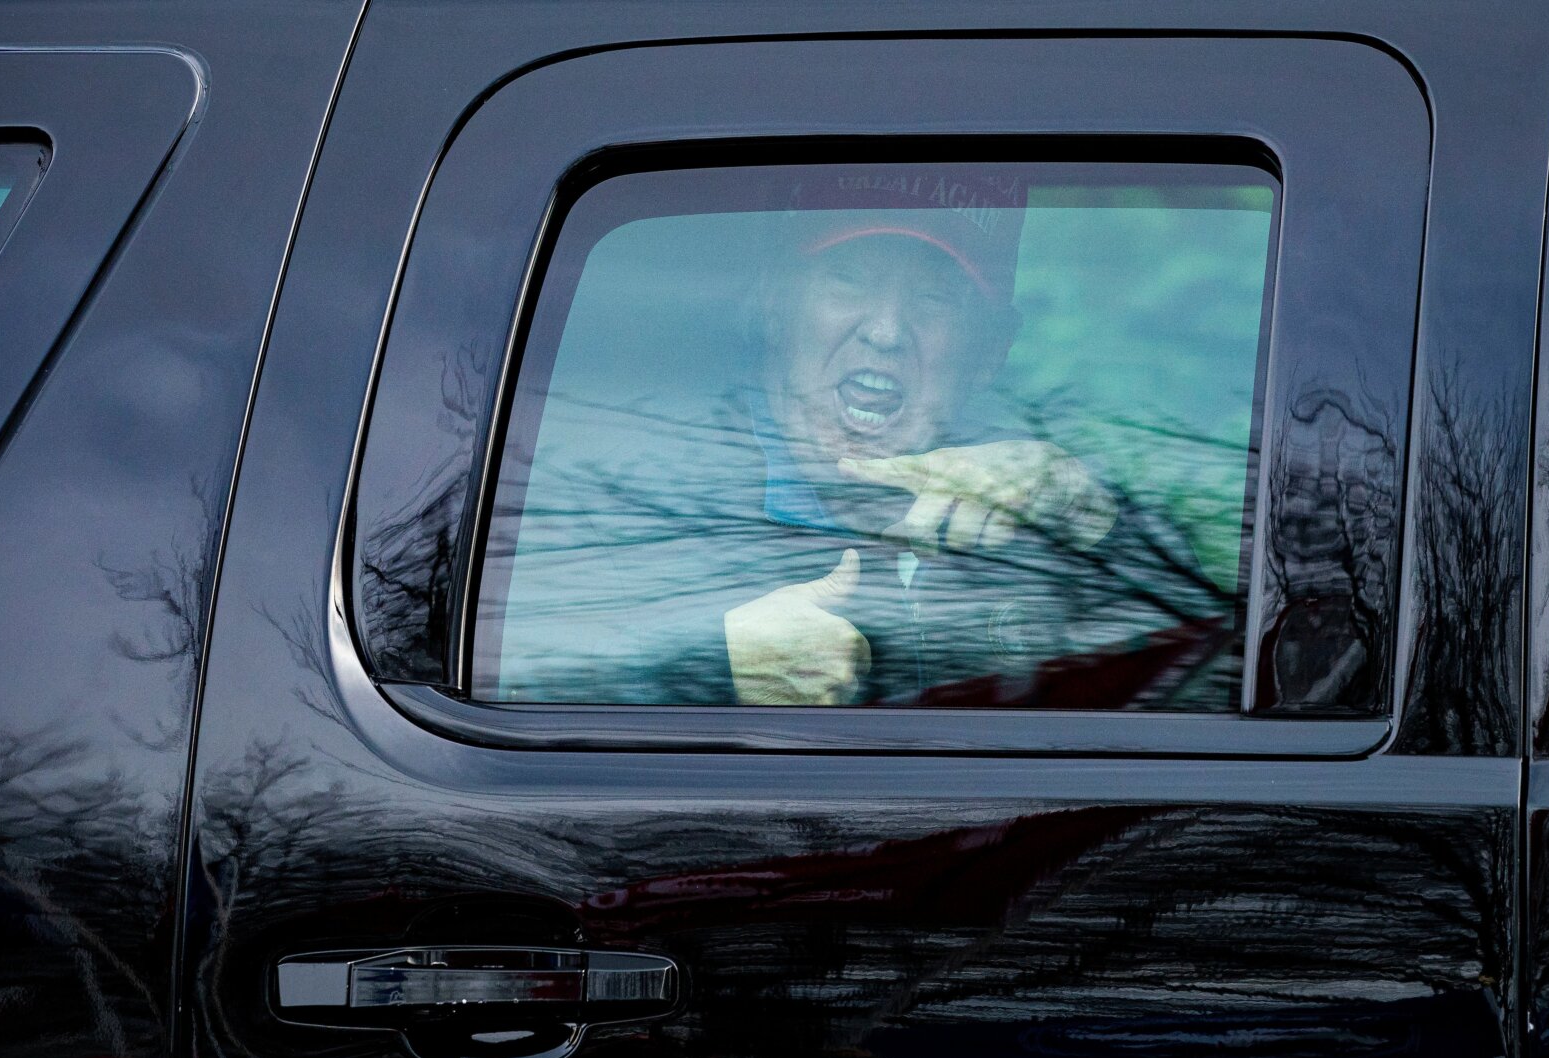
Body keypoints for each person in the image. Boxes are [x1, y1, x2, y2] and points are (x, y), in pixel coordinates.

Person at [489, 167, 1225, 708]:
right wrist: (712, 668)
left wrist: (1095, 518)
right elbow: (505, 691)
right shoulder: (642, 488)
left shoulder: (1028, 506)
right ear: (776, 304)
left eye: (933, 296)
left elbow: (1211, 651)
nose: (884, 329)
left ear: (990, 350)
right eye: (848, 279)